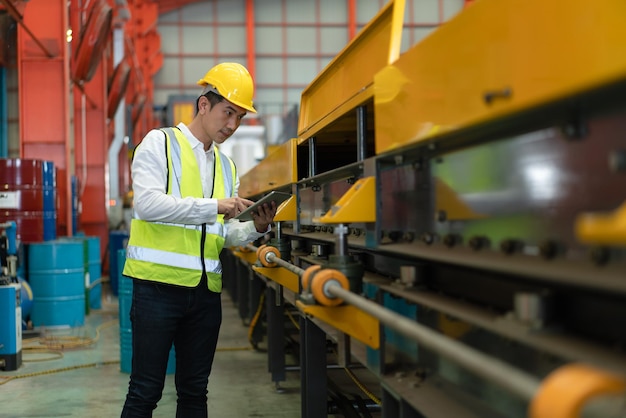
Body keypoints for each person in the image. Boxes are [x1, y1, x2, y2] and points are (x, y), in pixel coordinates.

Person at [121, 62, 277, 417]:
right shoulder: (158, 144)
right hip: (156, 289)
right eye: (228, 113)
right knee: (145, 392)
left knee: (195, 393)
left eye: (239, 117)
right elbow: (146, 205)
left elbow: (220, 235)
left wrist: (257, 227)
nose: (232, 126)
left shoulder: (227, 166)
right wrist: (216, 205)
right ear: (203, 105)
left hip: (206, 295)